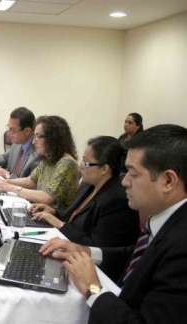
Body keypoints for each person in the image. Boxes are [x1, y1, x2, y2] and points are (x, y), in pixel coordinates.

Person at [40, 125, 187, 324]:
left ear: (168, 181)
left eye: (133, 174)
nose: (124, 181)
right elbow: (135, 254)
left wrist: (93, 288)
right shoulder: (166, 219)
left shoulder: (182, 246)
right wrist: (85, 250)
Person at [30, 136, 139, 247]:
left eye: (86, 163)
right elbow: (74, 218)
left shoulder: (117, 201)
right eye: (82, 160)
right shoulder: (88, 186)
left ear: (104, 169)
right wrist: (54, 212)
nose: (81, 166)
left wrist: (60, 224)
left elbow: (97, 247)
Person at [0, 115, 79, 211]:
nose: (33, 142)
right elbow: (29, 181)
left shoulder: (66, 163)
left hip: (55, 220)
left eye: (38, 136)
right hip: (41, 213)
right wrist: (1, 182)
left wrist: (12, 188)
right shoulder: (49, 159)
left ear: (52, 138)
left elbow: (46, 197)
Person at [0, 107, 41, 178]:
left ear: (27, 131)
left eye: (13, 130)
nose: (9, 133)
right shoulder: (18, 142)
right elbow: (6, 157)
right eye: (9, 128)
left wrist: (6, 174)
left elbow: (30, 184)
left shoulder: (38, 151)